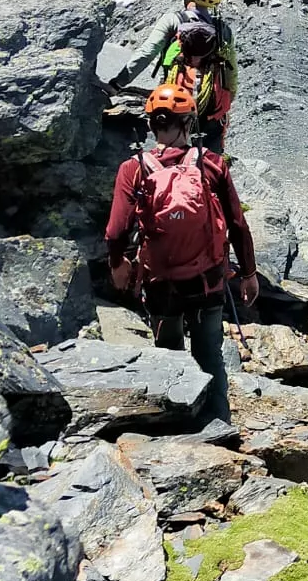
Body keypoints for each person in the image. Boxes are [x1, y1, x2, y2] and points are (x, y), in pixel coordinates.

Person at [106, 83, 258, 438]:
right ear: (189, 122)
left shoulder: (134, 168)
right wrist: (248, 273)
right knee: (210, 356)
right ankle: (219, 428)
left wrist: (117, 264)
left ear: (151, 125)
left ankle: (176, 432)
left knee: (169, 355)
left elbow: (115, 231)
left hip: (161, 282)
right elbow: (237, 222)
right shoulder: (211, 163)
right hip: (207, 279)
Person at [146, 0, 240, 151]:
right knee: (210, 160)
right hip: (211, 109)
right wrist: (226, 101)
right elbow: (231, 73)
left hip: (175, 101)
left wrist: (117, 83)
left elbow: (147, 52)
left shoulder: (174, 21)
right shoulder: (223, 30)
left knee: (171, 154)